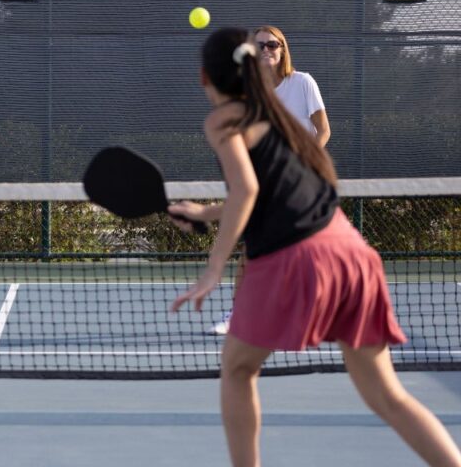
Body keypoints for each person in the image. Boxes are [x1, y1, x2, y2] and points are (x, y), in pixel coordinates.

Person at [169, 27, 461, 467]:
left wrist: (213, 268)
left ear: (203, 78)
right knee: (388, 396)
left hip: (295, 258)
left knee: (237, 369)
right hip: (350, 251)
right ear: (252, 67)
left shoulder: (222, 120)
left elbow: (247, 190)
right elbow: (268, 193)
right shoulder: (279, 118)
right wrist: (204, 212)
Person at [209, 24, 331, 335]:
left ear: (283, 48)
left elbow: (323, 130)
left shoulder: (302, 82)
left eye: (273, 45)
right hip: (266, 182)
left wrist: (304, 162)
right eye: (260, 45)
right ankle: (239, 314)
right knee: (252, 251)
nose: (267, 50)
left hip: (300, 182)